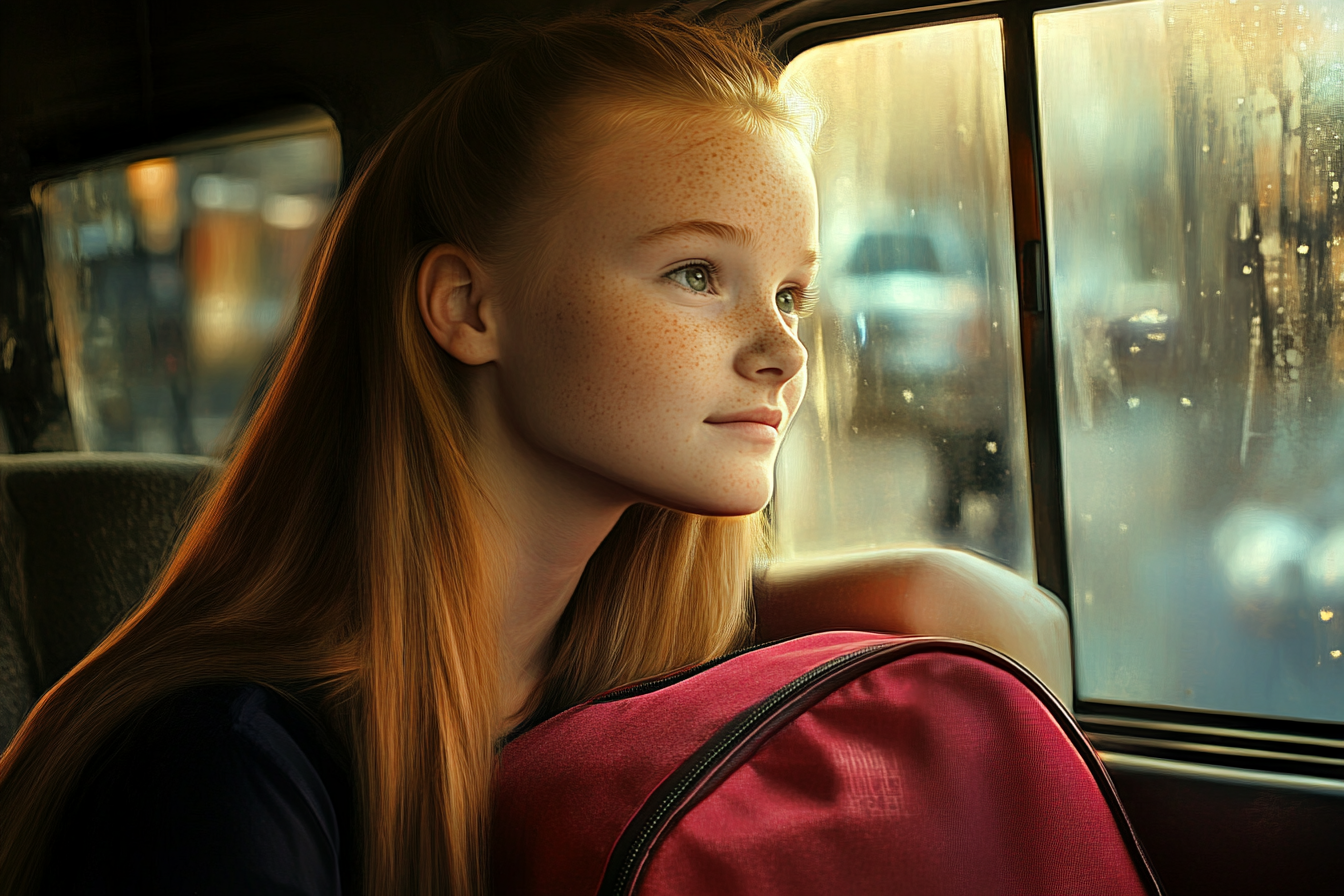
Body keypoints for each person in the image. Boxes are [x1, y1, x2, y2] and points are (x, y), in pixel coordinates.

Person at [0, 13, 1069, 896]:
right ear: (470, 306)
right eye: (697, 273)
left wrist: (926, 592)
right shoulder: (219, 767)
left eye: (790, 291)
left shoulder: (621, 662)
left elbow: (994, 619)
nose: (783, 349)